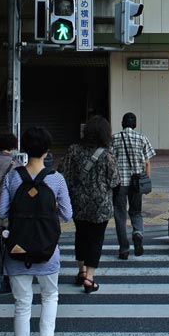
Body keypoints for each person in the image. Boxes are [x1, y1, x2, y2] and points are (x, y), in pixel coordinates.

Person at [0, 126, 72, 336]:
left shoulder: (12, 176)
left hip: (17, 249)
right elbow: (67, 214)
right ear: (48, 150)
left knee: (22, 303)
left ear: (25, 149)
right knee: (50, 295)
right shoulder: (56, 179)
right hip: (48, 249)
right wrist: (47, 221)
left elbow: (1, 212)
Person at [58, 115, 120, 293]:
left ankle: (81, 271)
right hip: (101, 205)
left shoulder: (73, 150)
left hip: (78, 202)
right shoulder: (107, 154)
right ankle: (90, 278)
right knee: (96, 239)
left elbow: (63, 173)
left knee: (81, 235)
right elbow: (115, 181)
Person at [111, 112, 156, 260]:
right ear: (135, 124)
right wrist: (147, 179)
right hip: (136, 183)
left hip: (119, 184)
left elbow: (109, 161)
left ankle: (124, 249)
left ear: (122, 123)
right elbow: (147, 162)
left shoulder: (114, 138)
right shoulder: (142, 138)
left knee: (120, 215)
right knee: (136, 212)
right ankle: (138, 233)